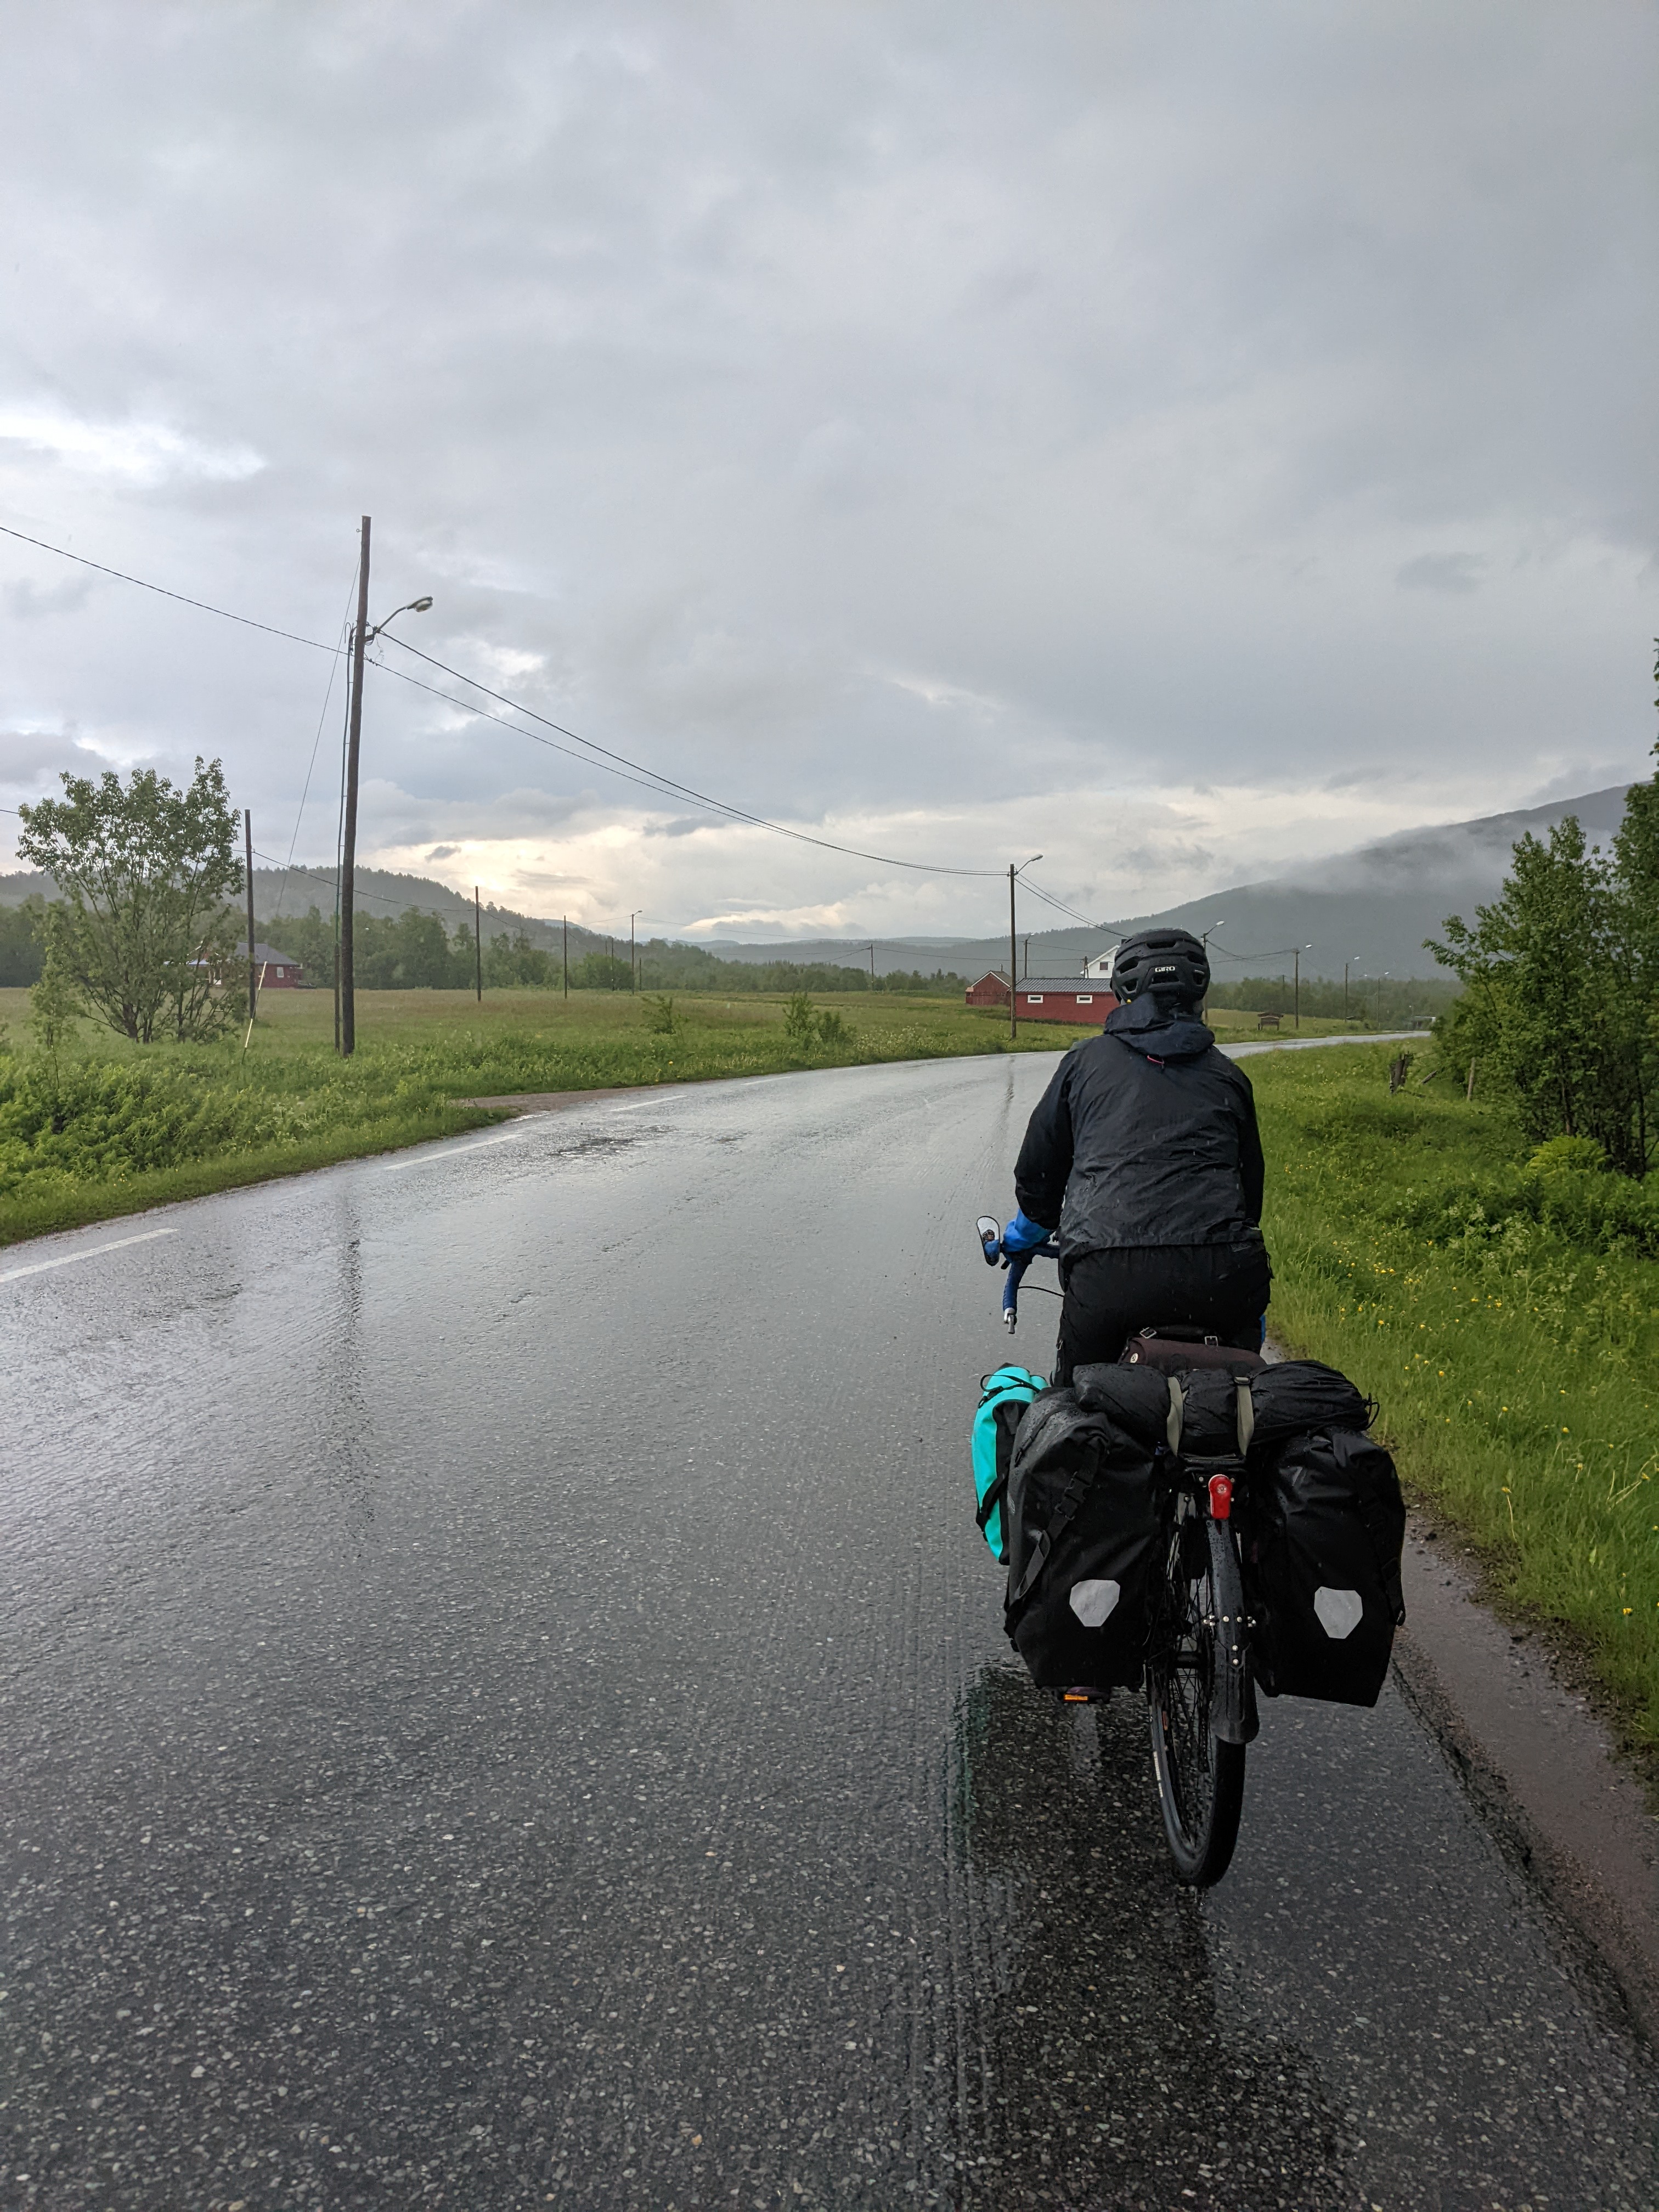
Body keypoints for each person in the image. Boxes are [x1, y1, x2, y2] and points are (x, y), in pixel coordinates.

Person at [1004, 928, 1269, 1379]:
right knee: (1242, 1405)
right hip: (1222, 1275)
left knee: (1076, 1406)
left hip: (1108, 1272)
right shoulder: (1228, 1076)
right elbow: (1249, 1193)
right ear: (1199, 993)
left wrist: (1025, 1234)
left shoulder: (1083, 1063)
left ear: (1123, 993)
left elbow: (1040, 1173)